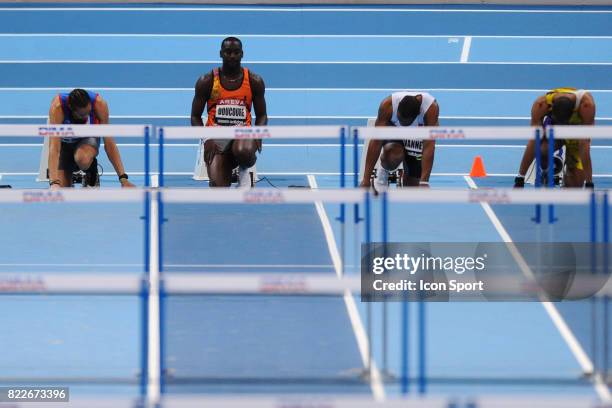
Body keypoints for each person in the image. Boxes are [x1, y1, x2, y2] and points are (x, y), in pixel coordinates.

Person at [190, 37, 268, 187]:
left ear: (242, 54)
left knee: (243, 151)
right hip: (217, 136)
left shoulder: (254, 81)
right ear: (221, 53)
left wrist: (258, 134)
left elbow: (262, 115)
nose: (232, 56)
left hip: (242, 134)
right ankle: (229, 169)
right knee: (219, 187)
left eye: (236, 52)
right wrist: (206, 139)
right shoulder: (207, 81)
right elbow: (195, 116)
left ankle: (244, 170)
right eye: (228, 52)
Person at [47, 88, 134, 188]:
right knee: (62, 189)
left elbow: (109, 144)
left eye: (89, 112)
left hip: (87, 138)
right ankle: (72, 168)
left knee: (82, 159)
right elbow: (54, 147)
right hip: (65, 142)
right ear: (71, 108)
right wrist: (54, 182)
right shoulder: (57, 108)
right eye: (82, 114)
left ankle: (91, 170)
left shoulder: (99, 104)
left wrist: (123, 179)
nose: (86, 116)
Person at [514, 88, 595, 188]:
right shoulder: (541, 104)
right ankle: (545, 171)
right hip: (553, 129)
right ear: (551, 110)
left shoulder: (587, 106)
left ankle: (569, 171)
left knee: (574, 186)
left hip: (575, 134)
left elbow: (584, 144)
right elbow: (533, 140)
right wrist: (520, 178)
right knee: (543, 150)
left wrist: (589, 182)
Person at [360, 92, 438, 189]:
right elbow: (376, 141)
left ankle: (404, 176)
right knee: (392, 156)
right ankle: (383, 172)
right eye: (399, 119)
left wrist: (424, 182)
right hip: (394, 131)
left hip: (415, 136)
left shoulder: (430, 109)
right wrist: (366, 179)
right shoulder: (388, 105)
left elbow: (429, 146)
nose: (401, 122)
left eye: (404, 122)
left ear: (417, 114)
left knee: (412, 187)